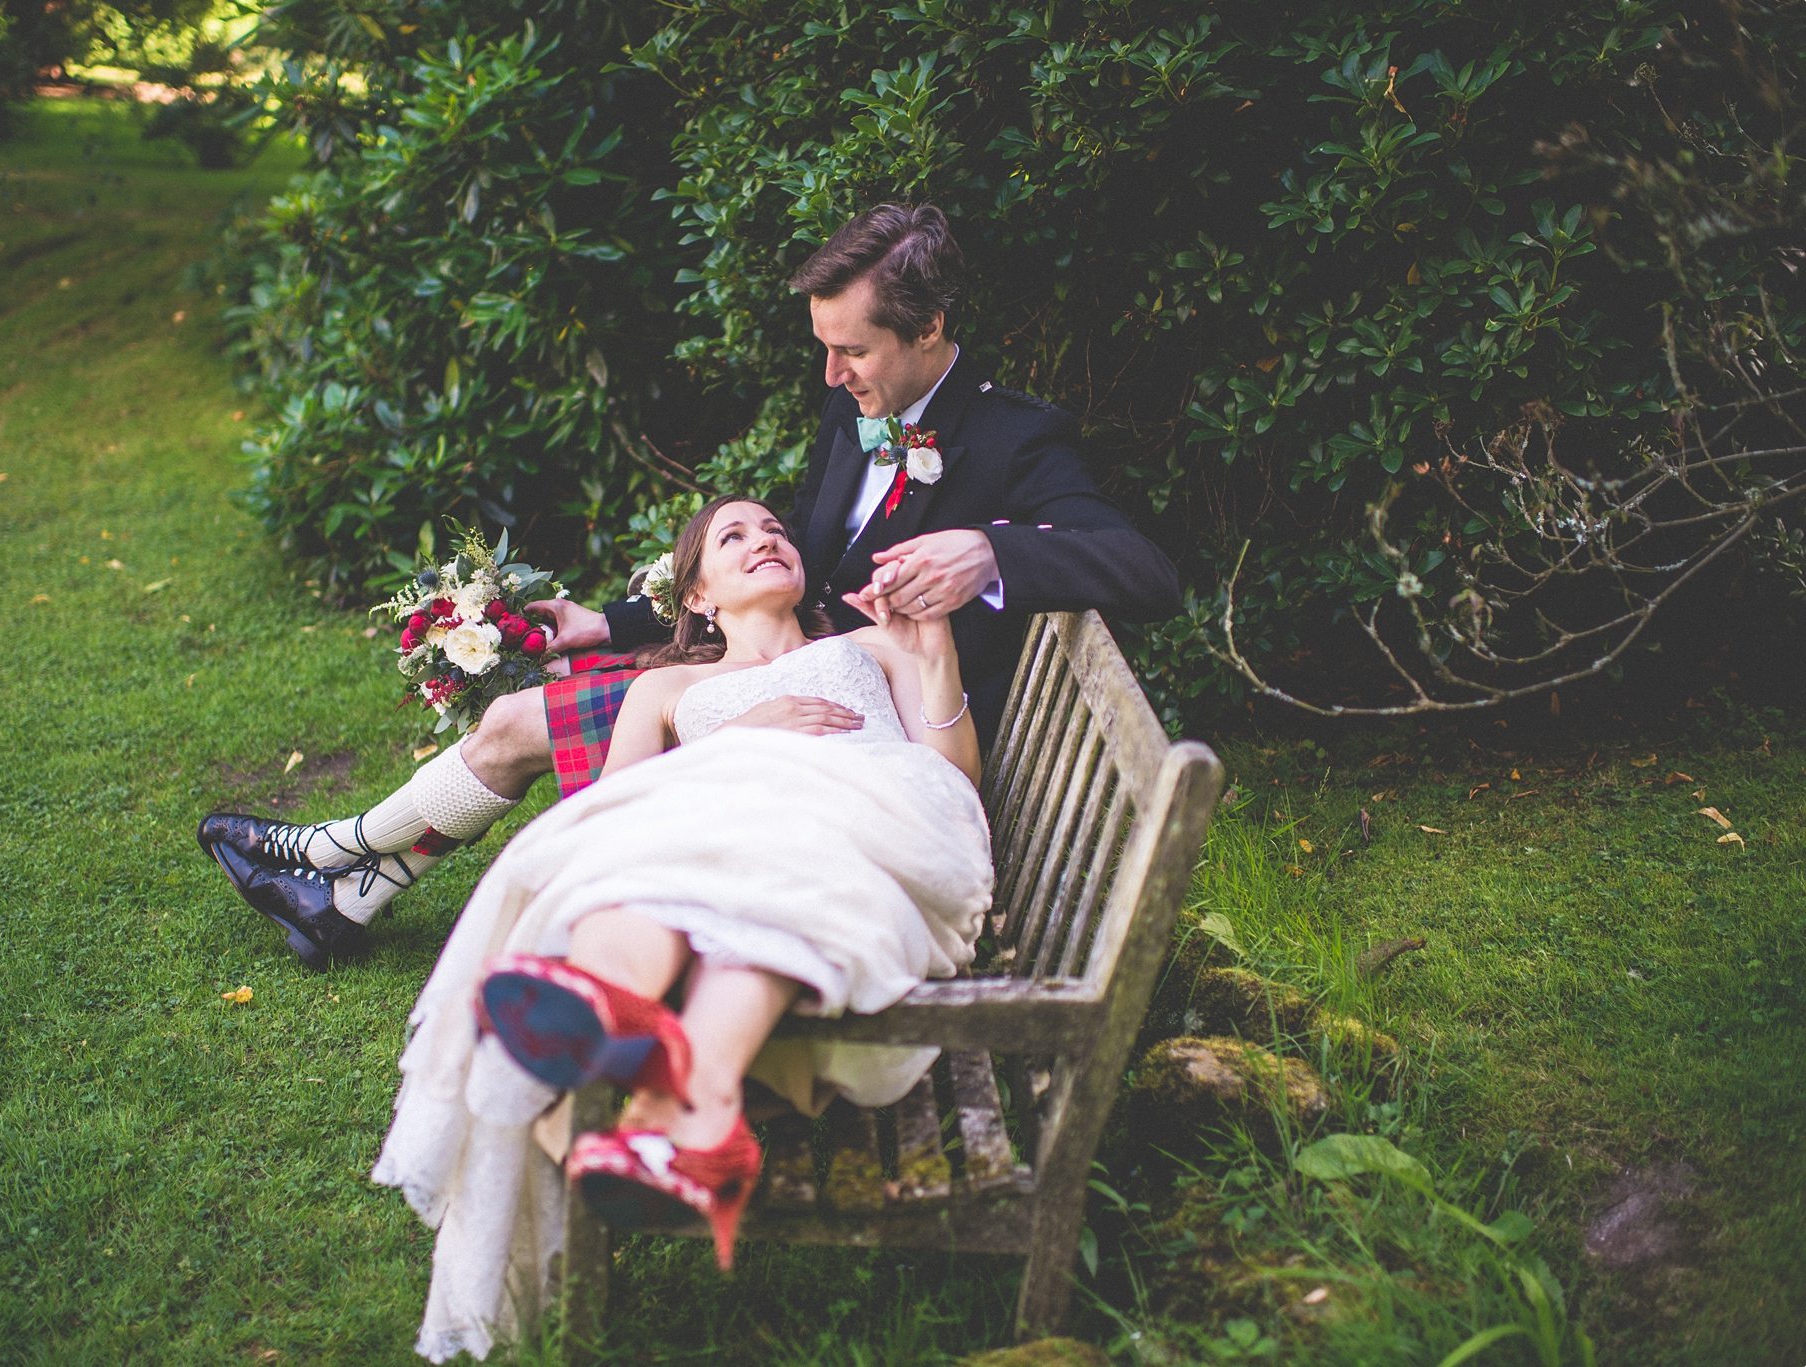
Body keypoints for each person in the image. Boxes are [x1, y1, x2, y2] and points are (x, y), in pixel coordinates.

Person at [198, 204, 1181, 968]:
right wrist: (610, 620)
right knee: (514, 726)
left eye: (851, 349)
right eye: (822, 344)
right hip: (766, 656)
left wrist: (991, 552)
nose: (830, 372)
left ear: (927, 328)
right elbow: (780, 556)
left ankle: (328, 861)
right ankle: (342, 894)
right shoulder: (854, 409)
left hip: (866, 719)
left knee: (510, 730)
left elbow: (1144, 568)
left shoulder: (1015, 437)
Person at [369, 495, 995, 1361]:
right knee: (648, 861)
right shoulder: (666, 689)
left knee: (784, 871)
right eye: (733, 537)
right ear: (697, 596)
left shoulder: (869, 646)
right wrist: (737, 737)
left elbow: (953, 786)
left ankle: (683, 1109)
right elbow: (620, 808)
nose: (764, 540)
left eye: (774, 530)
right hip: (709, 826)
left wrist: (937, 655)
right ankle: (606, 1007)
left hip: (858, 821)